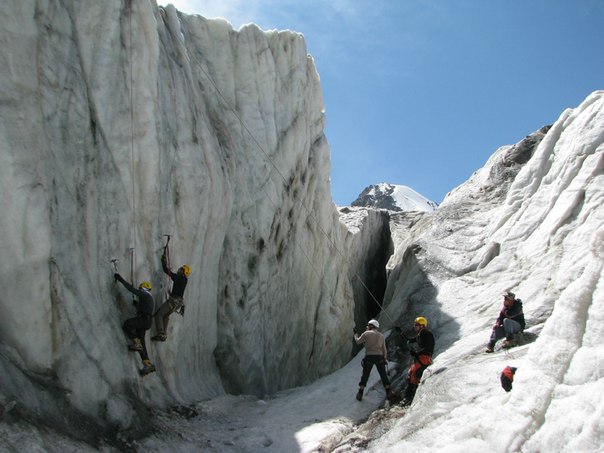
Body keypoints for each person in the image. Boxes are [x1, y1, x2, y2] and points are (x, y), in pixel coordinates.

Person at [114, 273, 156, 376]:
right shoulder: (149, 298)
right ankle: (147, 363)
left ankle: (136, 342)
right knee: (142, 343)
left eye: (141, 288)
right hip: (147, 321)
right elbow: (146, 308)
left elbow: (132, 289)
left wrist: (120, 279)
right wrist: (137, 305)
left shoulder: (145, 294)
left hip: (143, 319)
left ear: (144, 288)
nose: (140, 289)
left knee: (127, 324)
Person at [151, 250, 191, 342]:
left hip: (174, 301)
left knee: (160, 315)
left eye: (182, 270)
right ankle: (163, 334)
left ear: (184, 272)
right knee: (165, 316)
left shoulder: (180, 278)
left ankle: (161, 332)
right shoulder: (183, 280)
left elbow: (168, 272)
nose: (179, 270)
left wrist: (163, 262)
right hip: (178, 303)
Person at [353, 319, 393, 402]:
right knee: (383, 375)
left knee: (365, 375)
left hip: (369, 357)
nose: (367, 326)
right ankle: (388, 392)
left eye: (368, 325)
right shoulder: (381, 335)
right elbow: (384, 349)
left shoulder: (366, 333)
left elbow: (358, 342)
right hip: (379, 357)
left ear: (372, 325)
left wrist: (355, 334)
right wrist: (385, 358)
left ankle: (360, 393)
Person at [401, 316, 435, 406]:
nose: (415, 326)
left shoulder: (427, 334)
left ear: (422, 326)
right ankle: (410, 396)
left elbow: (427, 348)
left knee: (414, 374)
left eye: (417, 325)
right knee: (412, 373)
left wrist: (416, 353)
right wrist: (401, 333)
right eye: (415, 325)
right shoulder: (421, 334)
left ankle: (409, 397)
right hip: (421, 357)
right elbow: (409, 340)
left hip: (424, 358)